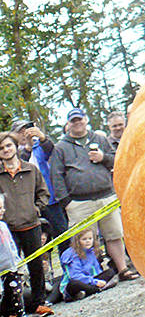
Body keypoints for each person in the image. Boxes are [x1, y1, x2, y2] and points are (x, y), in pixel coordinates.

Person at [48, 110, 138, 281]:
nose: (77, 123)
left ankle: (123, 269)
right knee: (82, 240)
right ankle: (89, 277)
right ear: (68, 124)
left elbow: (115, 159)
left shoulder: (100, 139)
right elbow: (56, 176)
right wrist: (66, 202)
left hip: (106, 196)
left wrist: (103, 157)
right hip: (79, 201)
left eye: (80, 120)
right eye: (73, 121)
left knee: (114, 234)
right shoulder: (61, 147)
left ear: (86, 119)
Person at [0, 134, 52, 317]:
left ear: (15, 146)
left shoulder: (31, 170)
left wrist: (36, 209)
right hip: (8, 229)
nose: (6, 150)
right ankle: (11, 312)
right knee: (9, 271)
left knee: (36, 266)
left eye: (8, 146)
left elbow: (43, 193)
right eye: (2, 148)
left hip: (31, 224)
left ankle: (39, 303)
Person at [11, 123, 66, 253]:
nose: (26, 134)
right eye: (21, 131)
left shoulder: (39, 147)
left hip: (49, 199)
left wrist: (42, 137)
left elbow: (50, 150)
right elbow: (18, 166)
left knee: (62, 233)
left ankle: (69, 268)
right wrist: (27, 148)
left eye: (27, 129)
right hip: (26, 204)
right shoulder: (10, 152)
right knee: (35, 241)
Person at [0, 196, 36, 317]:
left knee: (16, 291)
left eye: (2, 207)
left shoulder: (3, 226)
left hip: (11, 267)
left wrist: (17, 261)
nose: (2, 210)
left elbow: (11, 246)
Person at [58, 229, 116, 303]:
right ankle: (97, 289)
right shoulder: (71, 254)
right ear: (77, 241)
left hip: (90, 280)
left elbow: (97, 270)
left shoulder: (91, 251)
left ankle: (87, 291)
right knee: (74, 284)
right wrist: (95, 282)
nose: (88, 241)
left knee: (110, 272)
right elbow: (75, 276)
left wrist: (98, 280)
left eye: (90, 238)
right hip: (76, 282)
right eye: (84, 239)